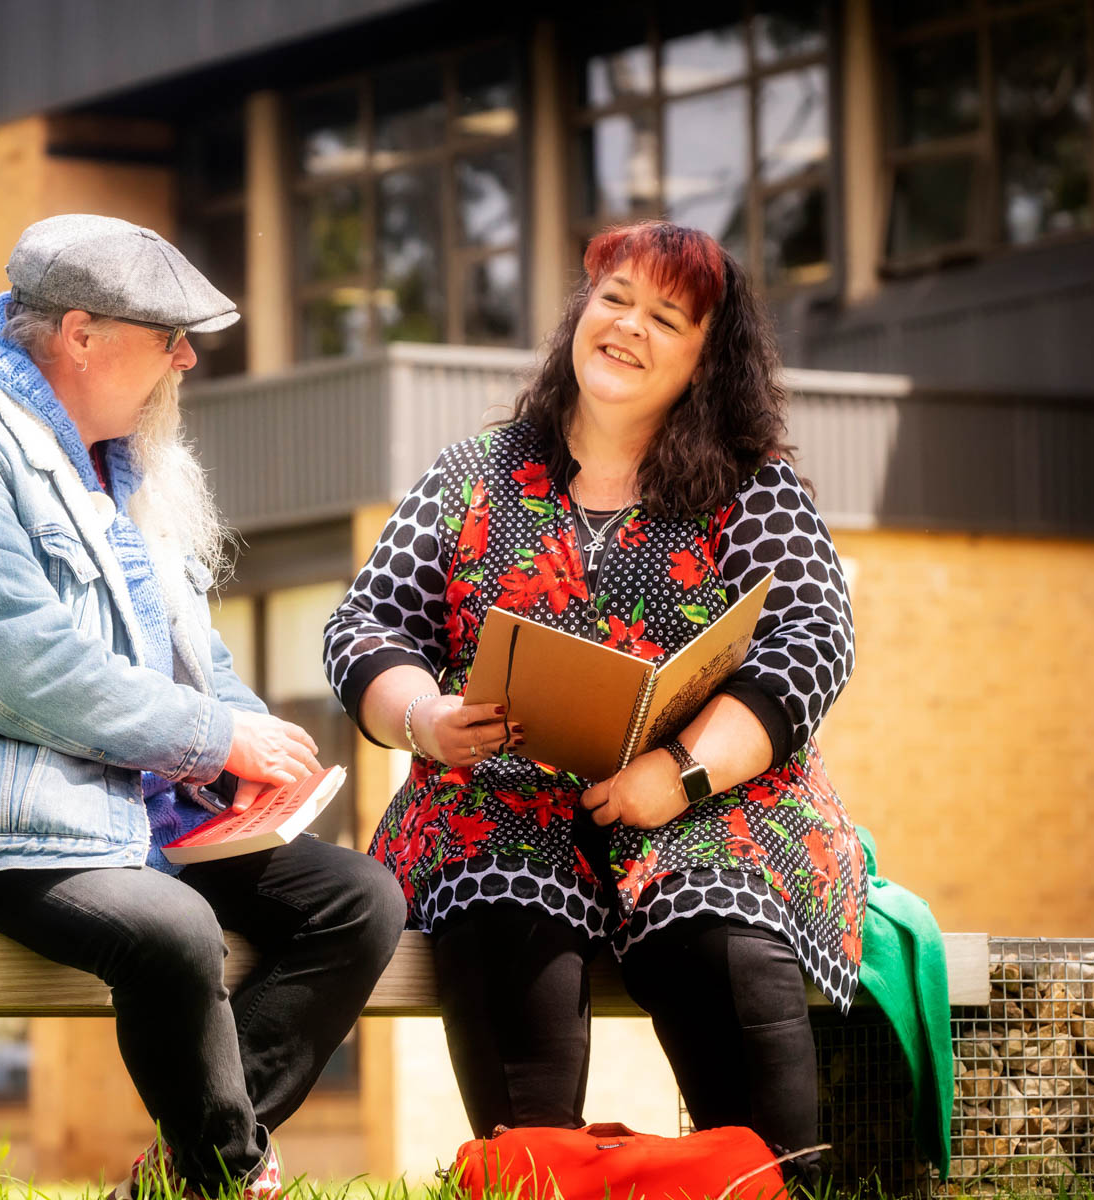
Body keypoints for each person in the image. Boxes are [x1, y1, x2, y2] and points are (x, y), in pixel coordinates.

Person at [0, 214, 405, 1198]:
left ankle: (176, 1182)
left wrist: (248, 749)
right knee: (173, 929)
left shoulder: (113, 463)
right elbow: (11, 666)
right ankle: (231, 1180)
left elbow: (190, 656)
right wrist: (213, 735)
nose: (186, 357)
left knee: (358, 900)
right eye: (167, 334)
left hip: (111, 819)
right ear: (78, 333)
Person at [323, 221, 863, 1185]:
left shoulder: (753, 488)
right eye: (613, 299)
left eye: (666, 316)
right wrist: (426, 721)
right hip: (496, 798)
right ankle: (537, 1177)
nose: (627, 326)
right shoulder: (471, 475)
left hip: (710, 801)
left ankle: (778, 1181)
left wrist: (680, 772)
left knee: (713, 921)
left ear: (707, 358)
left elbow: (813, 641)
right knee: (499, 896)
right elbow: (367, 628)